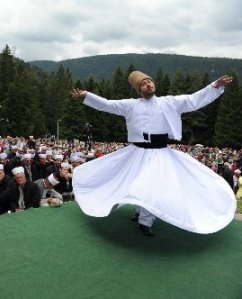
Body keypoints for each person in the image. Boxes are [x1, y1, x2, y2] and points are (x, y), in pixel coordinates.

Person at [71, 71, 236, 236]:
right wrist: (88, 96)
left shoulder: (169, 102)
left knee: (150, 186)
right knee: (135, 182)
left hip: (159, 153)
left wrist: (215, 86)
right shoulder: (131, 105)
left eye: (150, 81)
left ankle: (145, 221)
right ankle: (139, 211)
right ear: (139, 89)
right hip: (136, 151)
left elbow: (193, 100)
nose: (149, 84)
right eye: (144, 83)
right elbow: (108, 104)